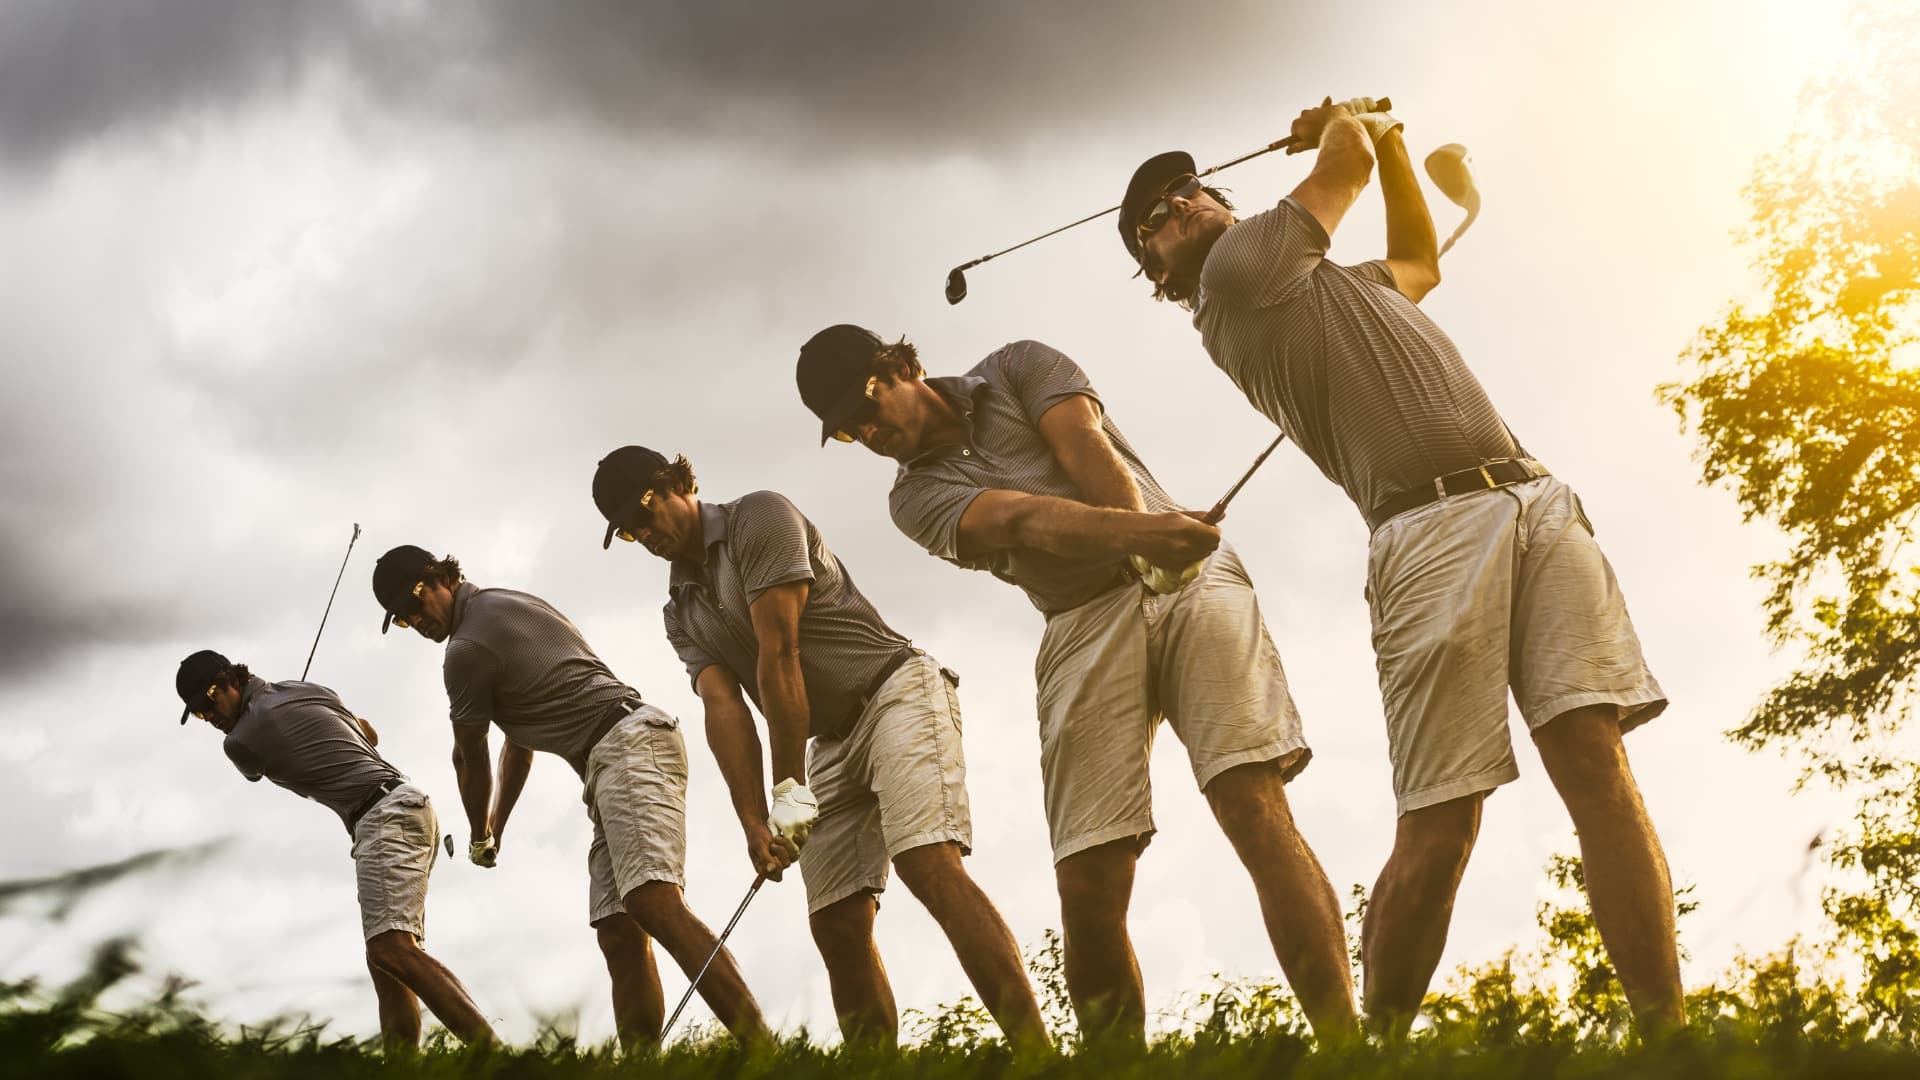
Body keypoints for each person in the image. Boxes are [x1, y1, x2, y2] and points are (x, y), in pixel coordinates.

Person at [1119, 96, 1682, 1034]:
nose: (1184, 206)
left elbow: (1417, 261)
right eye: (1160, 218)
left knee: (1596, 760)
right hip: (1427, 536)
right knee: (1444, 815)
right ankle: (1374, 1051)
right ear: (1162, 264)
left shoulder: (1326, 282)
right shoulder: (1237, 276)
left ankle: (1672, 1037)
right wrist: (1349, 122)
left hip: (1532, 497)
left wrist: (1395, 141)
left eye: (1189, 189)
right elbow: (1341, 170)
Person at [793, 325, 1357, 1042]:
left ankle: (1348, 1049)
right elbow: (1021, 520)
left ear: (903, 366)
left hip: (1190, 579)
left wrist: (1152, 538)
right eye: (847, 432)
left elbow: (1084, 445)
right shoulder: (914, 500)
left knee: (1252, 807)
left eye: (866, 404)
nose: (866, 431)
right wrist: (1139, 537)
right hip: (1080, 619)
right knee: (1087, 882)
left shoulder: (1020, 366)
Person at [590, 445, 1048, 1049]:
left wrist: (788, 794)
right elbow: (724, 709)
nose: (643, 533)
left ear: (674, 483)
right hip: (827, 742)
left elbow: (780, 655)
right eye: (628, 531)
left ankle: (1041, 1057)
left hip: (894, 692)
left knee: (926, 862)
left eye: (644, 513)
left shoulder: (760, 517)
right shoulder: (681, 610)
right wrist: (755, 820)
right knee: (835, 921)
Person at [369, 545, 771, 1046]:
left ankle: (766, 1053)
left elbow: (468, 756)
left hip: (627, 744)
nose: (415, 620)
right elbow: (519, 742)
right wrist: (498, 826)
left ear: (436, 579)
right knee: (619, 932)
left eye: (414, 604)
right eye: (403, 621)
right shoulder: (504, 603)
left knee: (653, 899)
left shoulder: (466, 649)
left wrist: (477, 834)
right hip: (614, 757)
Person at [171, 649, 493, 1051]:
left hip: (383, 816)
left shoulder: (240, 740)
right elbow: (368, 733)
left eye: (210, 698)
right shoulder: (306, 689)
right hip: (408, 806)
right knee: (385, 963)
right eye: (199, 712)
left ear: (232, 680)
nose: (209, 715)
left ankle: (497, 1058)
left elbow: (253, 769)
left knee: (391, 949)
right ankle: (401, 1070)